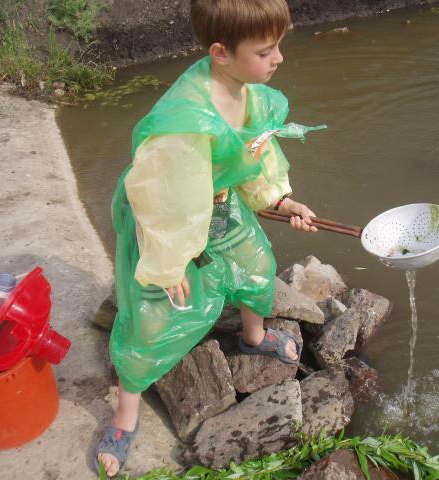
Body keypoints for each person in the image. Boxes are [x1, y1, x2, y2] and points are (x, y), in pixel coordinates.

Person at [94, 0, 325, 476]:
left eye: (279, 44)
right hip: (168, 222)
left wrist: (281, 201)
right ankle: (125, 416)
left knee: (256, 268)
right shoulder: (186, 119)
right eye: (265, 50)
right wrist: (171, 260)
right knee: (152, 313)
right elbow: (162, 197)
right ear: (220, 51)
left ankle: (253, 336)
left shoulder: (250, 92)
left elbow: (257, 156)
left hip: (221, 206)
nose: (279, 58)